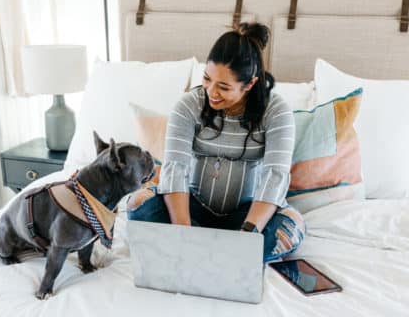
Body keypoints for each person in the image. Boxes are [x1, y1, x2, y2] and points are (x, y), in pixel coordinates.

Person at [127, 22, 305, 263]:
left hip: (248, 215)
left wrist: (248, 235)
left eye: (223, 87)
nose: (211, 92)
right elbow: (175, 169)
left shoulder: (276, 111)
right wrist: (183, 233)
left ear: (250, 84)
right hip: (193, 209)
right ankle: (224, 255)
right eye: (207, 79)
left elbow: (275, 176)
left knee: (289, 230)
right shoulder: (189, 104)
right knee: (138, 206)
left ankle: (223, 253)